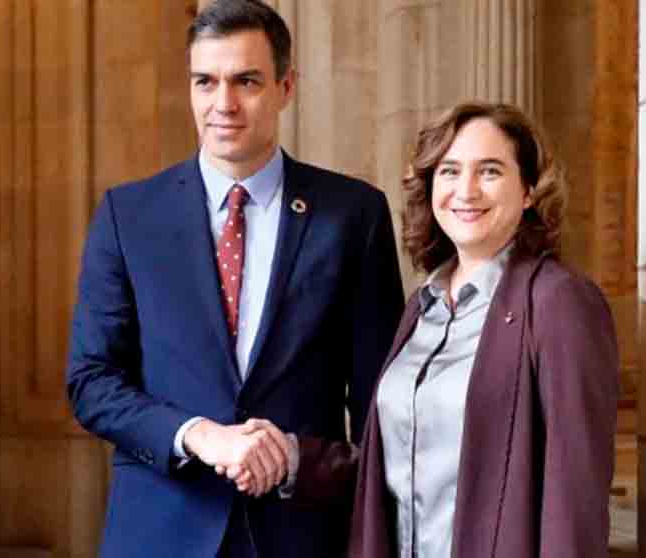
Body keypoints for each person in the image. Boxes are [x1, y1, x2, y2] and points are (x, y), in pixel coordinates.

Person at [66, 1, 404, 557]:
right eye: (205, 81)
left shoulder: (354, 215)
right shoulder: (129, 216)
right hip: (162, 532)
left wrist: (299, 458)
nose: (223, 104)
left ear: (286, 86)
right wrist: (198, 433)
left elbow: (379, 407)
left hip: (301, 533)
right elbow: (91, 381)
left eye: (246, 81)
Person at [348, 101, 619, 558]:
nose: (466, 190)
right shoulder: (421, 306)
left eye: (490, 171)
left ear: (530, 189)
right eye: (449, 171)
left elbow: (576, 497)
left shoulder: (558, 301)